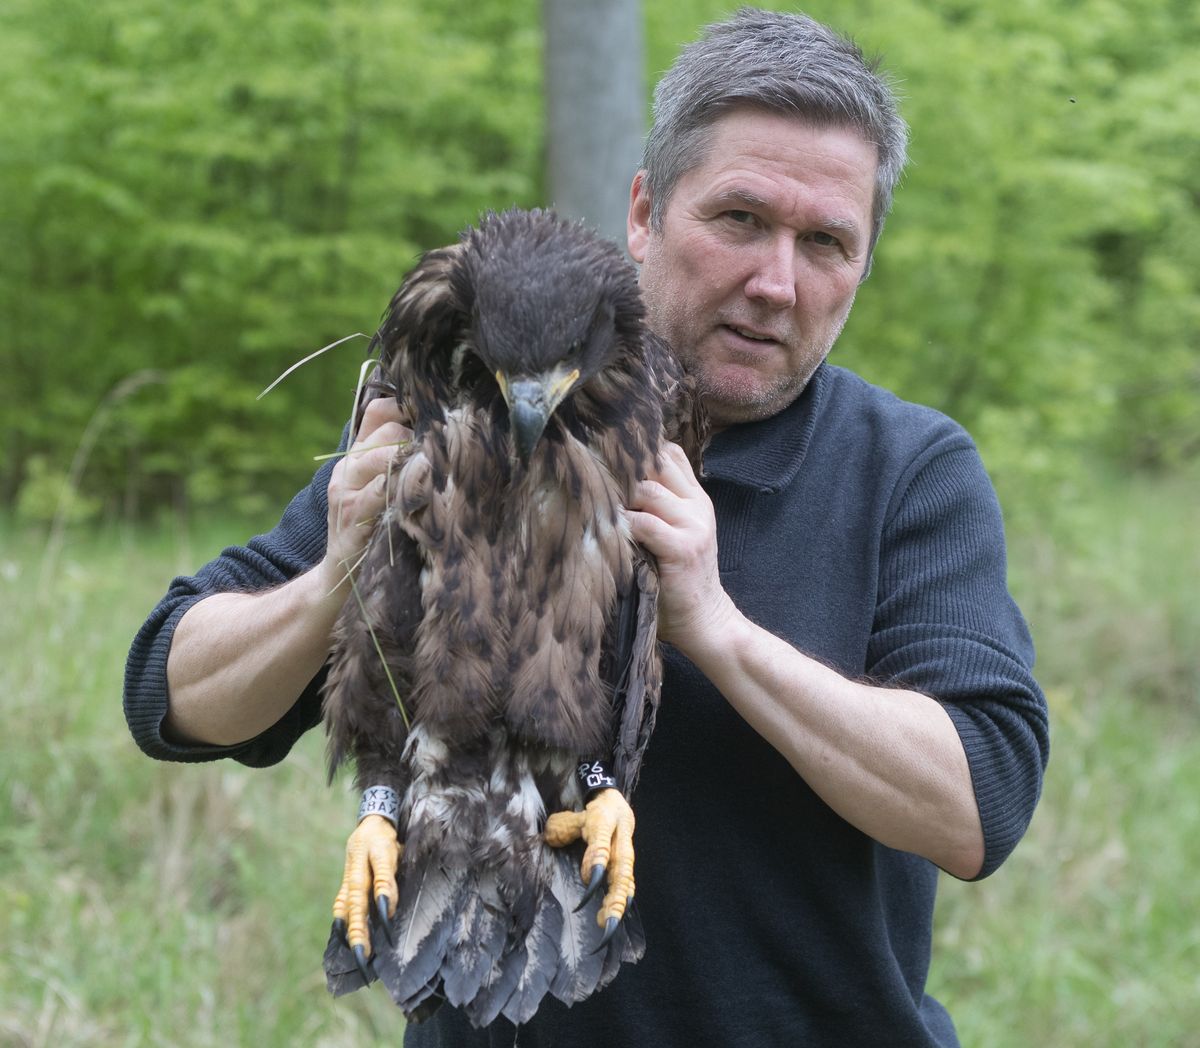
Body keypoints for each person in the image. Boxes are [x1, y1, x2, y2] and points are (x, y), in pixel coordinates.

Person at [125, 9, 1049, 1046]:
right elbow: (172, 692)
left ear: (865, 260)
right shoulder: (466, 402)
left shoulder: (908, 469)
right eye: (739, 219)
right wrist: (338, 570)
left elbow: (981, 802)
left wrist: (717, 628)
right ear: (646, 212)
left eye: (826, 241)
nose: (776, 282)